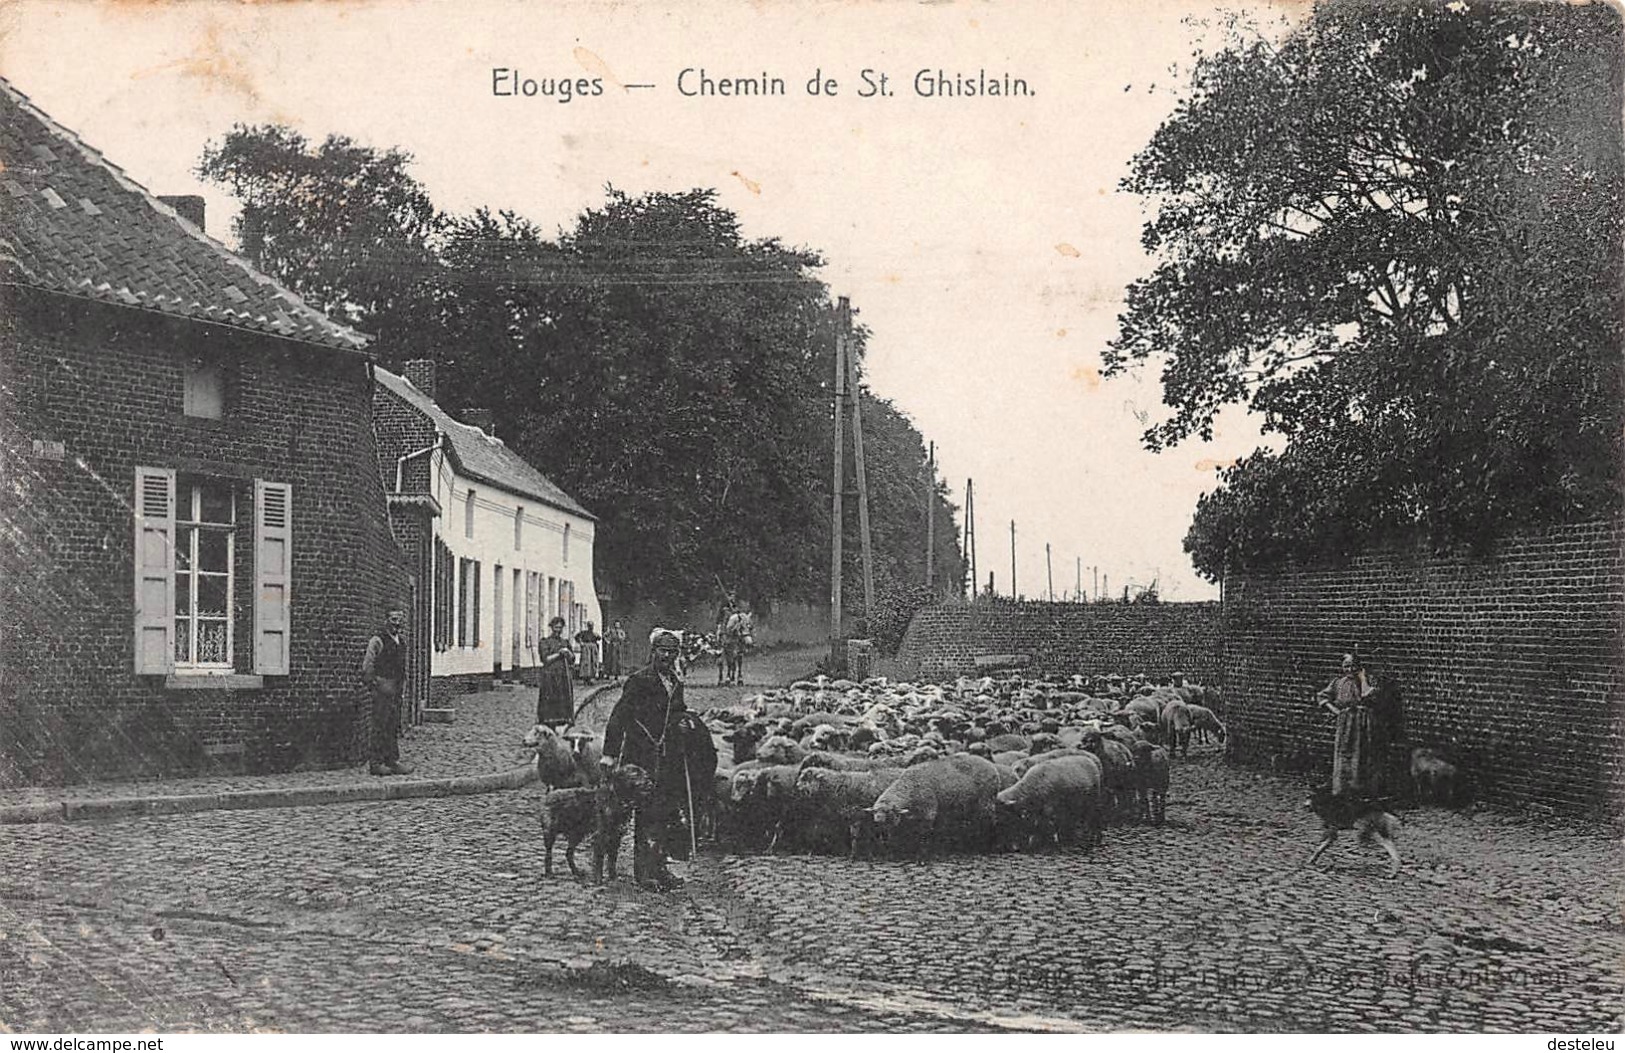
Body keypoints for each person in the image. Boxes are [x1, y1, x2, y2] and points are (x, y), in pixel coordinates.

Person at [602, 629, 694, 891]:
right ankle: (644, 873)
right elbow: (619, 716)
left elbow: (677, 713)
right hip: (640, 755)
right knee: (646, 813)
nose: (666, 656)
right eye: (662, 651)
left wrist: (684, 723)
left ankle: (660, 867)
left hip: (667, 758)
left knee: (665, 812)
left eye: (671, 652)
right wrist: (610, 755)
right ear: (653, 652)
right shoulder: (638, 681)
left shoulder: (675, 683)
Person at [1315, 652, 1397, 798]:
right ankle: (1344, 788)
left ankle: (1366, 789)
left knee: (1364, 753)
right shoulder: (1338, 682)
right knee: (1346, 753)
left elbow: (1367, 695)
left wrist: (1363, 677)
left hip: (1365, 722)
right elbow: (1322, 696)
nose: (1350, 670)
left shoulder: (1369, 681)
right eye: (1346, 666)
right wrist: (1336, 711)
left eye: (1353, 666)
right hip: (1346, 723)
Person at [360, 606, 413, 777]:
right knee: (380, 725)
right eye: (393, 619)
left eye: (399, 620)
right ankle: (376, 763)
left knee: (392, 725)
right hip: (382, 689)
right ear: (386, 621)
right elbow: (368, 664)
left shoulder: (401, 642)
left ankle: (392, 760)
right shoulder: (378, 640)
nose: (397, 624)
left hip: (396, 690)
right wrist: (375, 684)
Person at [536, 615, 576, 728]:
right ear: (551, 628)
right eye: (556, 627)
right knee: (550, 696)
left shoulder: (565, 642)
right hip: (550, 675)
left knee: (563, 697)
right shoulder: (545, 642)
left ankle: (563, 719)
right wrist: (559, 654)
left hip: (563, 675)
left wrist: (568, 653)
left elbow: (572, 660)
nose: (558, 630)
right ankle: (548, 720)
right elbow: (546, 659)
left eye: (560, 628)